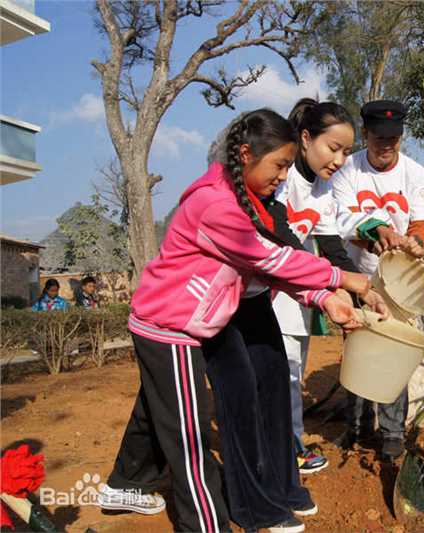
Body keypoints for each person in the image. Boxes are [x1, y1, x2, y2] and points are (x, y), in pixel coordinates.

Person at [99, 108, 371, 533]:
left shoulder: (246, 202)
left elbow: (264, 270)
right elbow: (270, 257)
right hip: (172, 328)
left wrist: (322, 297)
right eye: (279, 165)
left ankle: (124, 483)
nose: (283, 176)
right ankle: (207, 525)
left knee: (163, 410)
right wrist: (343, 278)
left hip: (185, 322)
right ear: (245, 154)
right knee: (190, 436)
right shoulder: (215, 204)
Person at [266, 98, 414, 474]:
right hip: (265, 293)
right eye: (334, 148)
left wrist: (365, 292)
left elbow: (331, 247)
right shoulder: (282, 181)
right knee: (274, 376)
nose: (340, 160)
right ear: (305, 138)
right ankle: (276, 455)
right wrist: (335, 285)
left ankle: (290, 449)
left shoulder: (322, 191)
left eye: (347, 152)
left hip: (293, 294)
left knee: (292, 373)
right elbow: (282, 238)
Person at [331, 100, 424, 460]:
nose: (386, 146)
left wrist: (416, 244)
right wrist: (378, 233)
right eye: (379, 139)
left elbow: (422, 223)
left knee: (392, 353)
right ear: (366, 135)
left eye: (393, 139)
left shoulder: (415, 173)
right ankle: (357, 426)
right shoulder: (347, 171)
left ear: (401, 138)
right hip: (359, 274)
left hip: (399, 283)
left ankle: (392, 432)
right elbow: (342, 219)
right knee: (358, 348)